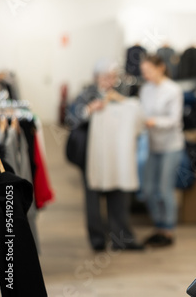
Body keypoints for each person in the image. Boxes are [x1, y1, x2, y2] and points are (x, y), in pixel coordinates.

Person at [65, 59, 143, 251]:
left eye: (113, 77)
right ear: (97, 77)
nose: (110, 81)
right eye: (107, 77)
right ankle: (98, 239)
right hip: (90, 155)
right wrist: (88, 110)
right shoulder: (86, 94)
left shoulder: (121, 94)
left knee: (118, 193)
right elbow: (71, 118)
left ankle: (122, 238)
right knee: (92, 197)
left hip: (116, 154)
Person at [139, 54, 185, 247]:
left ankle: (168, 230)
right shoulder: (144, 90)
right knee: (148, 189)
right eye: (143, 72)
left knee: (164, 188)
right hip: (150, 145)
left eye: (149, 71)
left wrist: (153, 122)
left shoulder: (173, 90)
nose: (146, 75)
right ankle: (158, 226)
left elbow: (175, 120)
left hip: (170, 146)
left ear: (161, 68)